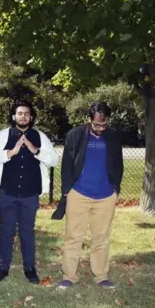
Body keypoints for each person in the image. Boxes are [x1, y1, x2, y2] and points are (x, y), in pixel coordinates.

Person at [0, 100, 59, 284]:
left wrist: (36, 151)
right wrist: (11, 152)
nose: (23, 116)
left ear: (31, 117)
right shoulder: (4, 135)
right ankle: (2, 268)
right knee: (6, 231)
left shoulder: (40, 136)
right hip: (7, 193)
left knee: (27, 232)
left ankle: (30, 268)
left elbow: (54, 160)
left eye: (26, 113)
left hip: (30, 194)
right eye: (20, 113)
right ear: (13, 116)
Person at [59, 101, 123, 289]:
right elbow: (67, 166)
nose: (101, 128)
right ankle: (69, 277)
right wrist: (67, 191)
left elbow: (118, 165)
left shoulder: (113, 137)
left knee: (101, 237)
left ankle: (101, 275)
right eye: (97, 125)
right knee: (73, 236)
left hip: (105, 196)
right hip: (78, 193)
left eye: (104, 124)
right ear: (89, 120)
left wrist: (115, 189)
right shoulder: (75, 135)